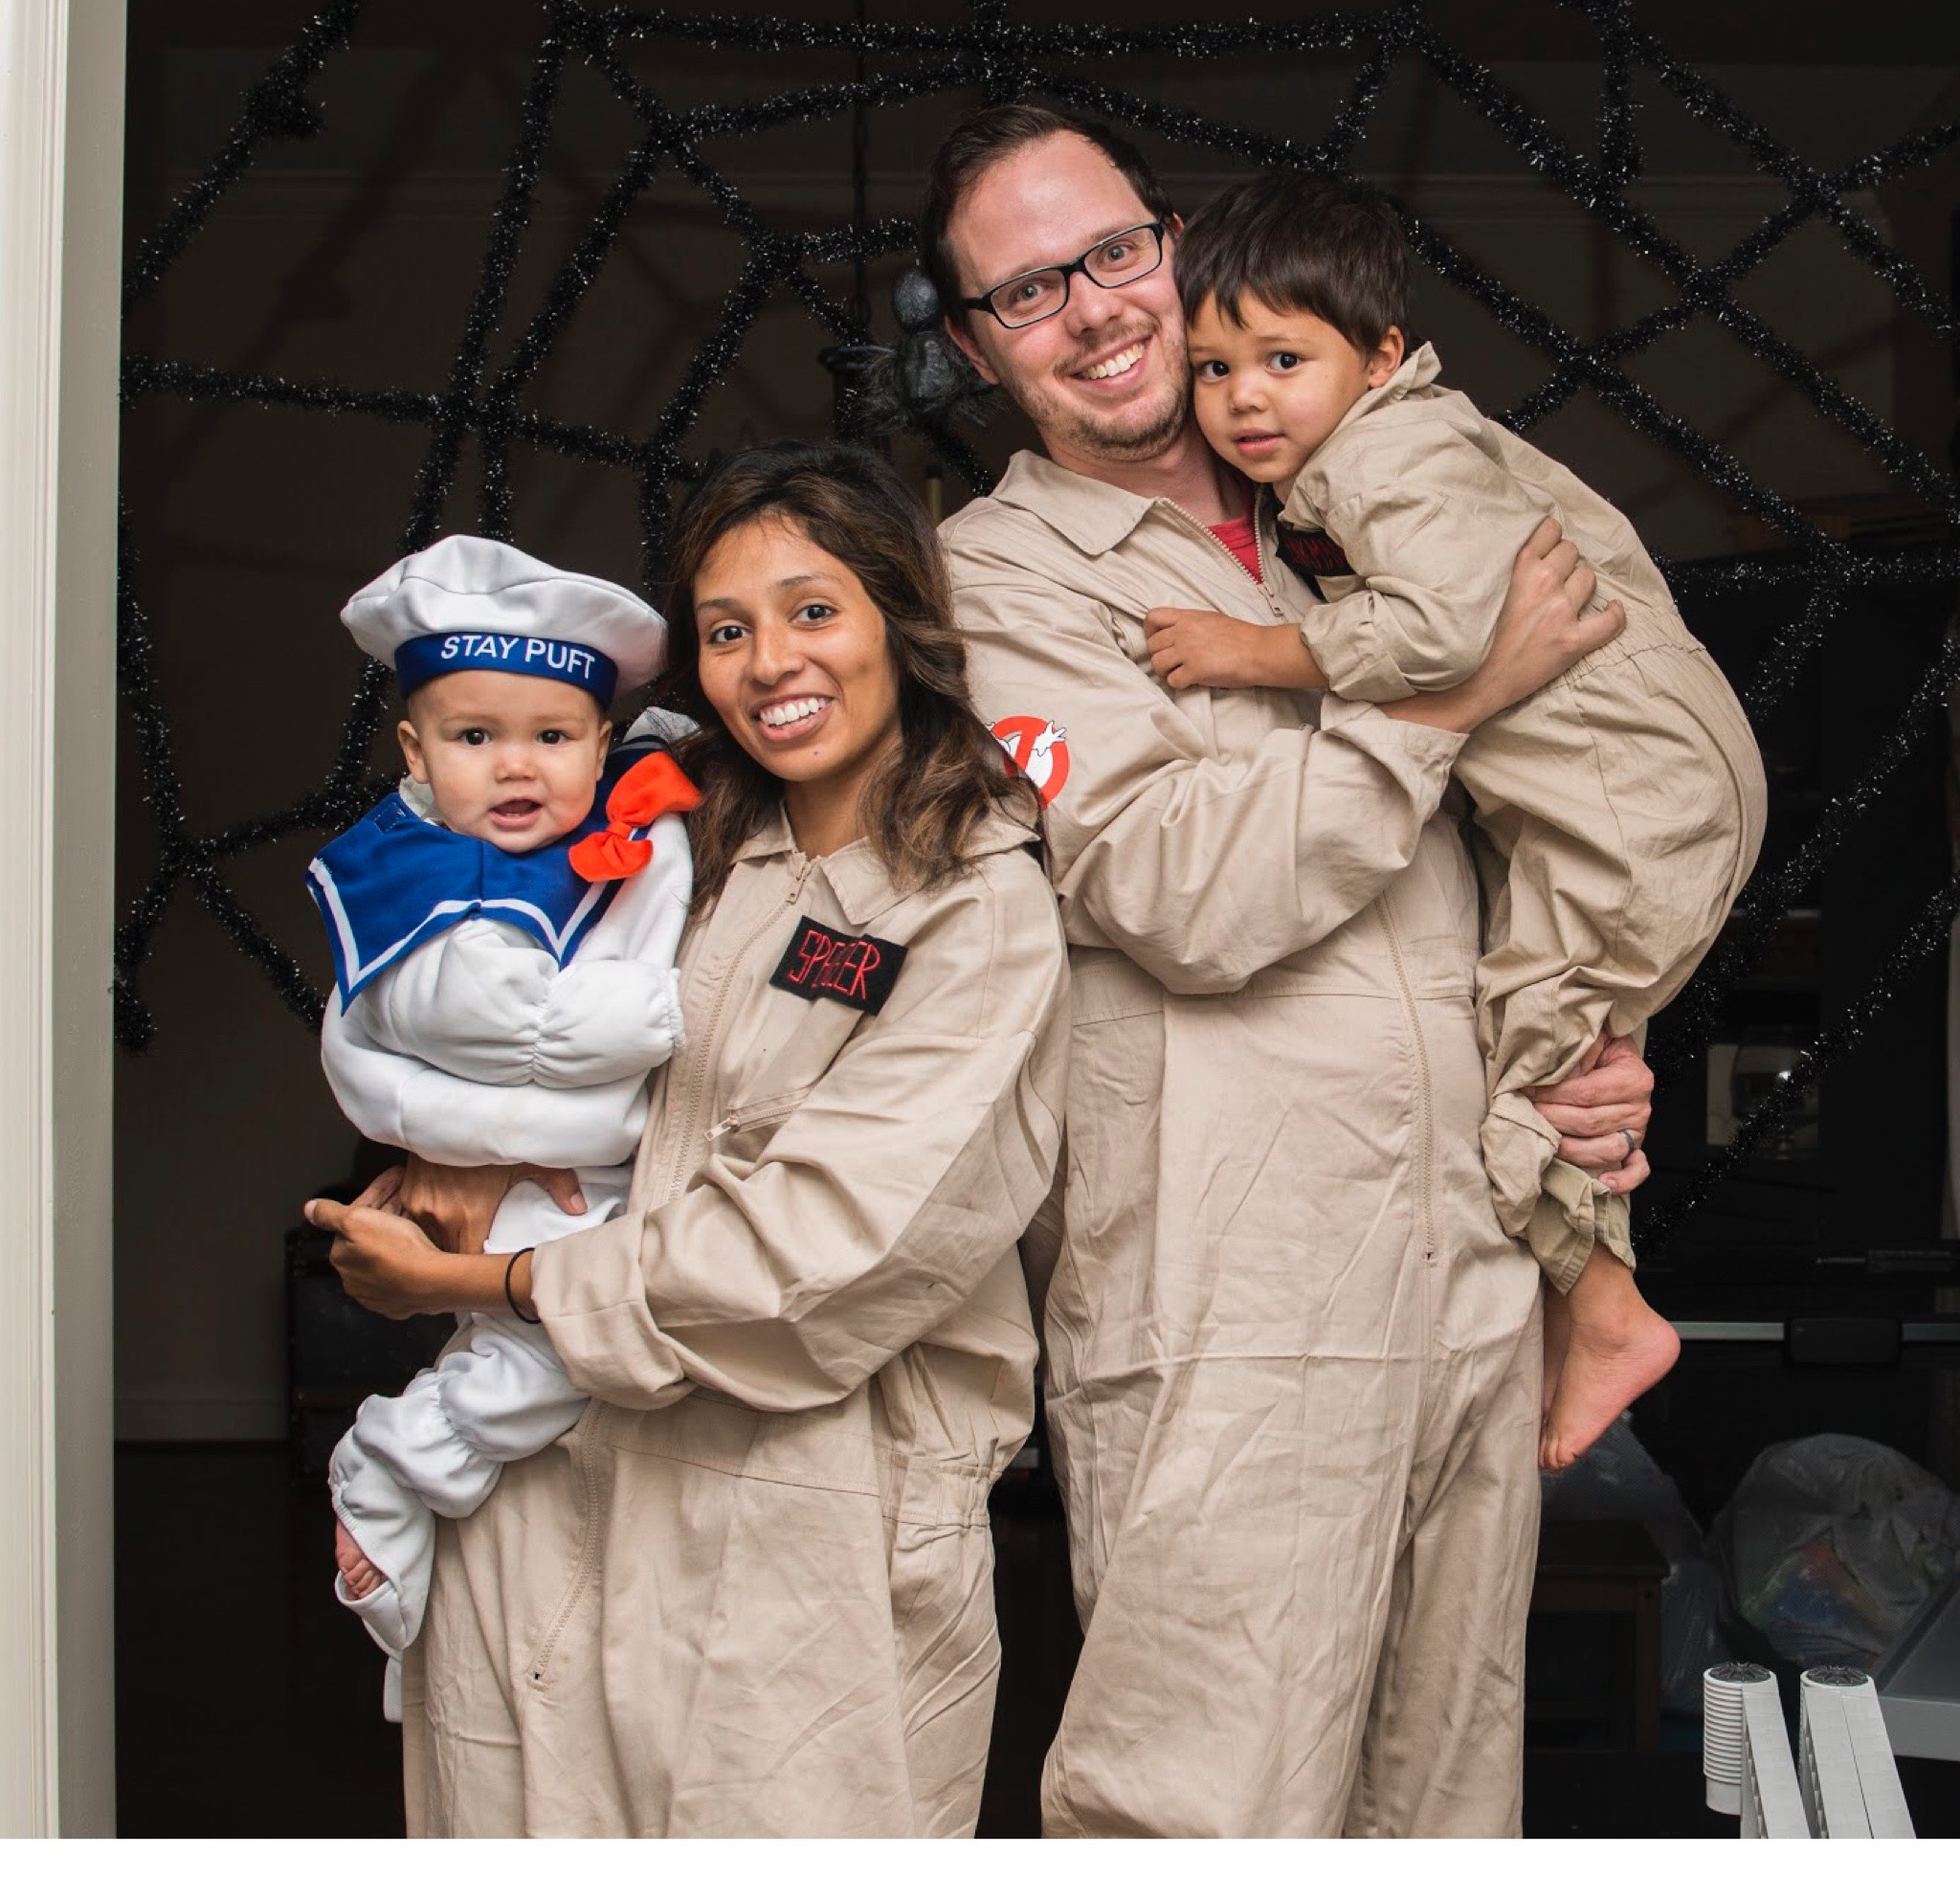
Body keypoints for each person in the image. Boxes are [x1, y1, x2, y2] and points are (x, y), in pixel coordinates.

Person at [920, 103, 1659, 1836]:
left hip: (1467, 1269)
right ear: (971, 345)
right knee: (1205, 1812)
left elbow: (1557, 809)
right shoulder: (991, 577)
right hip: (1228, 1303)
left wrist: (1586, 1047)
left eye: (1113, 252)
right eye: (1028, 291)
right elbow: (1170, 879)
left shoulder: (1362, 492)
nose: (1096, 308)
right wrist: (1447, 693)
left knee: (1441, 1806)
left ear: (1175, 246)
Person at [303, 440, 1070, 1837]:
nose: (772, 661)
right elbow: (456, 986)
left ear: (903, 617)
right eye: (728, 630)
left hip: (797, 1534)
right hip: (540, 1504)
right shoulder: (654, 837)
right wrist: (451, 1157)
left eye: (814, 610)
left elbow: (821, 1257)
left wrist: (479, 1286)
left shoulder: (972, 909)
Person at [1156, 172, 1767, 1470]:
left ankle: (1605, 1317)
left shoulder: (1390, 452)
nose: (1245, 398)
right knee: (1576, 1055)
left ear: (1381, 356)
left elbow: (1443, 630)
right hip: (1637, 791)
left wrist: (1252, 652)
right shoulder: (1418, 436)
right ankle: (1593, 1305)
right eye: (1212, 370)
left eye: (1281, 357)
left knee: (1530, 1063)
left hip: (1631, 804)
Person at [306, 534, 698, 1719]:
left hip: (569, 1165)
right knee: (553, 1352)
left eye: (552, 737)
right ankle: (390, 1465)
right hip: (522, 1157)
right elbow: (504, 1016)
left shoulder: (626, 826)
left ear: (599, 740)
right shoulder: (407, 866)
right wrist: (660, 1010)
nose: (516, 767)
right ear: (417, 755)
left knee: (547, 1354)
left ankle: (399, 1461)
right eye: (476, 740)